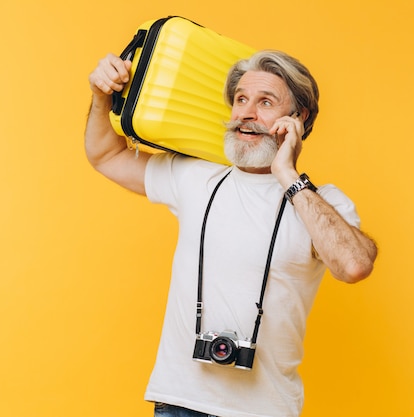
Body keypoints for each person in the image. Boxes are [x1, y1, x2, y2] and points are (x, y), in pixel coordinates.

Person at [85, 49, 377, 417]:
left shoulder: (319, 202)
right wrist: (100, 96)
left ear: (298, 117)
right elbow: (106, 155)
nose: (246, 113)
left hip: (265, 410)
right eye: (241, 100)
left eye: (265, 102)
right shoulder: (197, 176)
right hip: (179, 403)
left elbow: (354, 265)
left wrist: (287, 175)